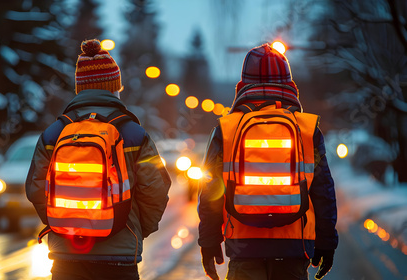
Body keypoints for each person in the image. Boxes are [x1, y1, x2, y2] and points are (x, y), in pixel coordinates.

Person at [26, 39, 171, 280]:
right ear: (114, 88)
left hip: (66, 258)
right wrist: (132, 227)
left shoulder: (53, 134)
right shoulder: (134, 134)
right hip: (119, 258)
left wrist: (61, 222)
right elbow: (156, 189)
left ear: (79, 89)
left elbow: (35, 188)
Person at [198, 43, 338, 280]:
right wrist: (326, 241)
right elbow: (323, 189)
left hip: (243, 245)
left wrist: (209, 241)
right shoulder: (306, 130)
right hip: (294, 246)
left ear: (242, 85)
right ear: (290, 85)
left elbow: (211, 188)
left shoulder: (227, 129)